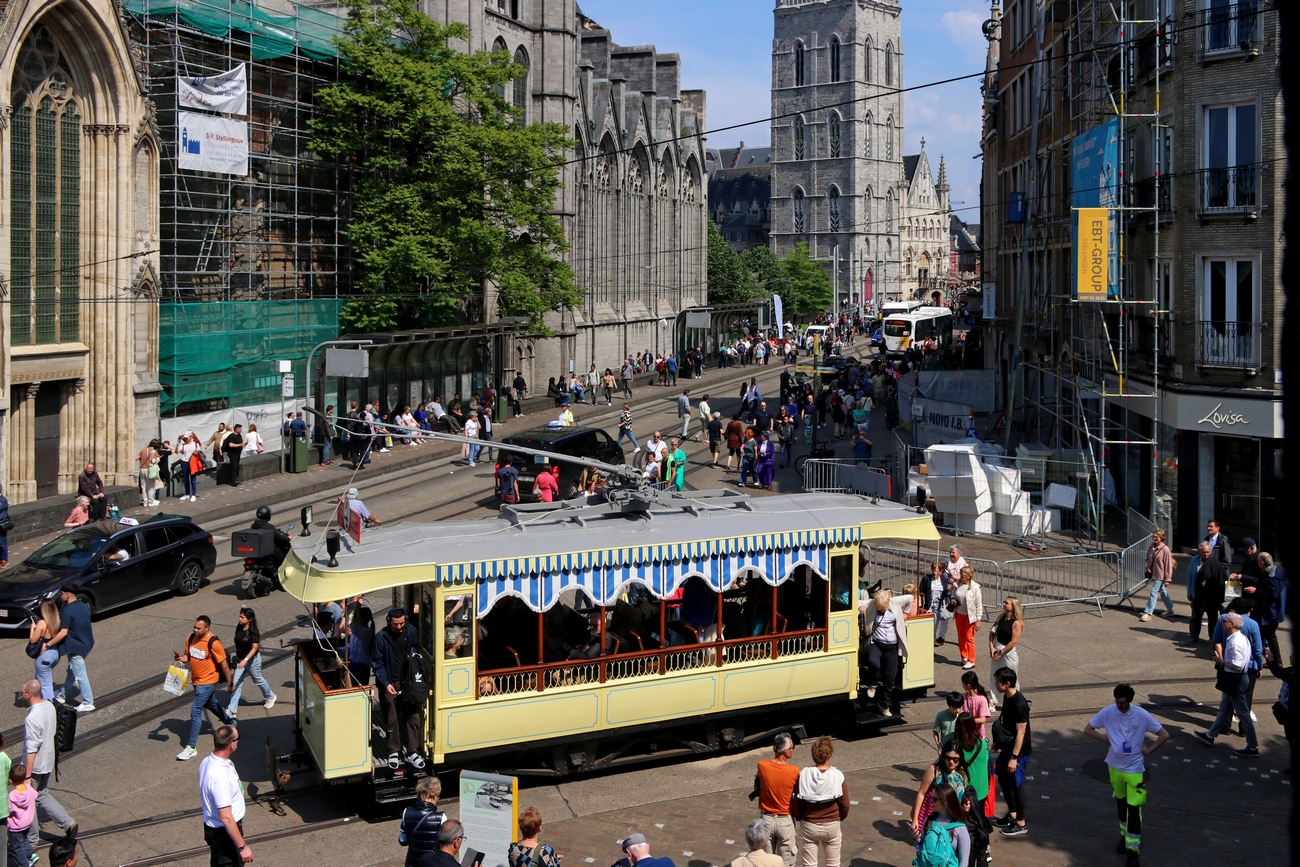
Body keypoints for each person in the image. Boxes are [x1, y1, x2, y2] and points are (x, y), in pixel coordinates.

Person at [1084, 684, 1170, 867]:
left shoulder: (1141, 715)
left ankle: (1133, 850)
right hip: (1114, 768)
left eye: (1122, 703)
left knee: (1134, 810)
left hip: (1134, 771)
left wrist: (1149, 750)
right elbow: (1088, 729)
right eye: (1117, 702)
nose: (1119, 705)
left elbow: (1164, 735)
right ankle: (1125, 837)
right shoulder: (1108, 712)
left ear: (1129, 701)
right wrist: (1107, 740)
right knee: (1121, 805)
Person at [19, 679, 76, 847]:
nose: (20, 694)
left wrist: (27, 776)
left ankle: (32, 840)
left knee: (28, 802)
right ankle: (68, 823)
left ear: (29, 694)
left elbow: (32, 749)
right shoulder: (49, 706)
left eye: (22, 692)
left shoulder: (32, 718)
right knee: (42, 794)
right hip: (48, 761)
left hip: (35, 766)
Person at [1196, 611, 1259, 755]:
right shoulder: (1240, 638)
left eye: (1225, 621)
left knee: (1243, 713)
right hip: (1235, 679)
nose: (1222, 622)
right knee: (1224, 708)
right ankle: (1210, 735)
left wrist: (1221, 661)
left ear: (1232, 625)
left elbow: (1237, 665)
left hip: (1235, 680)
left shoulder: (1235, 642)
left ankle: (1252, 746)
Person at [174, 616, 237, 761]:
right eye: (194, 627)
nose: (195, 630)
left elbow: (224, 665)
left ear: (207, 628)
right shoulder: (191, 638)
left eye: (198, 628)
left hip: (208, 681)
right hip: (196, 681)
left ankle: (191, 747)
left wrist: (230, 683)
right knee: (210, 704)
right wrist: (180, 658)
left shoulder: (213, 642)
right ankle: (230, 722)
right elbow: (188, 657)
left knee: (196, 710)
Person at [373, 607, 426, 770]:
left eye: (402, 623)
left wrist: (413, 655)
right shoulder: (381, 637)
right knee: (392, 719)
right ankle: (393, 751)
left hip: (408, 682)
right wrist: (386, 683)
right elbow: (377, 663)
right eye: (395, 624)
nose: (399, 627)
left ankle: (412, 751)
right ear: (389, 621)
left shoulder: (411, 631)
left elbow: (417, 648)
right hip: (390, 682)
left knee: (413, 717)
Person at [790, 736, 849, 867]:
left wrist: (799, 816)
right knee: (833, 864)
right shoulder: (838, 775)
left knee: (809, 864)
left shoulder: (804, 774)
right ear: (830, 755)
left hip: (809, 824)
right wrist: (840, 817)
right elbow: (845, 804)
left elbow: (797, 801)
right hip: (832, 824)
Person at [199, 725, 253, 866]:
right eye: (238, 738)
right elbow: (226, 817)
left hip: (224, 831)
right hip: (224, 834)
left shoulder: (209, 761)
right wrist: (242, 847)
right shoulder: (220, 776)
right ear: (231, 744)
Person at [859, 588, 913, 717]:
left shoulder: (894, 602)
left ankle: (884, 705)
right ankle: (873, 683)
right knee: (873, 662)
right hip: (876, 643)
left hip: (891, 646)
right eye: (879, 608)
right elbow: (856, 602)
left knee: (890, 677)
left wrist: (906, 613)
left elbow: (910, 598)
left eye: (883, 608)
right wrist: (860, 608)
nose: (881, 610)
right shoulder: (871, 603)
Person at [991, 667, 1030, 837]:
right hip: (1007, 747)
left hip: (1018, 752)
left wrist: (1014, 757)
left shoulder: (1019, 703)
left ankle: (1021, 822)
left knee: (1016, 784)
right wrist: (998, 742)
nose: (995, 684)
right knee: (1003, 778)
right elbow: (1006, 723)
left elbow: (1021, 732)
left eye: (998, 681)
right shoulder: (1007, 697)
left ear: (1007, 683)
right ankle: (1012, 814)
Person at [754, 733, 800, 867]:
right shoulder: (794, 771)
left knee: (765, 862)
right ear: (786, 752)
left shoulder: (762, 765)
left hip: (766, 820)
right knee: (786, 862)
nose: (793, 750)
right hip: (785, 820)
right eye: (792, 747)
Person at [908, 742, 969, 841]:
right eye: (948, 758)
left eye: (955, 759)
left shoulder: (961, 772)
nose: (951, 762)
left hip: (954, 820)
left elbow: (960, 797)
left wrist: (965, 808)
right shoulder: (934, 770)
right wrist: (915, 819)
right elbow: (921, 794)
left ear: (960, 759)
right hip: (936, 820)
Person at [49, 585, 95, 713]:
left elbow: (63, 632)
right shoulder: (84, 606)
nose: (60, 596)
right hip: (87, 643)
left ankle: (88, 702)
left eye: (61, 593)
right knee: (72, 671)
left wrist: (49, 644)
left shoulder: (67, 611)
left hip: (75, 647)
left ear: (67, 594)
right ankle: (62, 695)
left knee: (80, 675)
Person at [226, 607, 276, 717]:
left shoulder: (253, 632)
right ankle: (232, 710)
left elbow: (255, 648)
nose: (239, 619)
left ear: (249, 619)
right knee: (236, 684)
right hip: (240, 660)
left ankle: (270, 696)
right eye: (240, 616)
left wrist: (246, 660)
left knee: (257, 679)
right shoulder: (239, 627)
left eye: (242, 617)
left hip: (252, 661)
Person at [1186, 540, 1228, 645]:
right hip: (1196, 595)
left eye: (1208, 552)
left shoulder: (1215, 563)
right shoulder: (1194, 560)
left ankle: (1212, 637)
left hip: (1210, 597)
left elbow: (1221, 580)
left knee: (1212, 618)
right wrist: (1189, 592)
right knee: (1195, 617)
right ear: (1199, 551)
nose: (1206, 554)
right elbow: (1190, 577)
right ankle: (1194, 636)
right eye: (1203, 552)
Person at [399, 777, 447, 867]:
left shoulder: (407, 812)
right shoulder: (441, 817)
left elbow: (402, 840)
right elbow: (445, 847)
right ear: (435, 797)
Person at [989, 596, 1025, 692]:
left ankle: (1013, 697)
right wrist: (991, 647)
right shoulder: (1001, 617)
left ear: (1013, 606)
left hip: (1008, 652)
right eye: (1004, 602)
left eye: (1006, 603)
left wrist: (1001, 652)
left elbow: (1013, 642)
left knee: (1010, 678)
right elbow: (992, 632)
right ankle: (994, 699)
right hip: (997, 647)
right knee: (995, 676)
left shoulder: (1016, 623)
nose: (1003, 604)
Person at [1138, 529, 1175, 621]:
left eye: (1156, 537)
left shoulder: (1165, 550)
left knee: (1154, 591)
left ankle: (1148, 613)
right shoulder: (1151, 547)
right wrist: (1148, 567)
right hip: (1154, 573)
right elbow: (1148, 558)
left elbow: (1168, 565)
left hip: (1161, 575)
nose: (1154, 538)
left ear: (1161, 538)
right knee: (1162, 592)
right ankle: (1170, 609)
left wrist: (1168, 579)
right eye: (1153, 537)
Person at [954, 566, 984, 673]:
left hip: (970, 616)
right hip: (959, 614)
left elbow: (979, 604)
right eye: (961, 573)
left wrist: (978, 619)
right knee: (961, 637)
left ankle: (971, 660)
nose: (961, 575)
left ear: (969, 576)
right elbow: (954, 595)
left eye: (963, 573)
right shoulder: (957, 584)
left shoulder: (975, 587)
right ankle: (964, 656)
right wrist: (953, 600)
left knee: (969, 637)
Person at [8, 760, 35, 867]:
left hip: (16, 826)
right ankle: (29, 854)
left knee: (16, 848)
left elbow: (10, 810)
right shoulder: (29, 789)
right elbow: (35, 796)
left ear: (11, 781)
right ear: (24, 779)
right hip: (27, 822)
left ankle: (24, 864)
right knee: (24, 840)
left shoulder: (12, 795)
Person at [921, 560, 953, 647]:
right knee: (929, 627)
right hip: (929, 607)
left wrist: (948, 591)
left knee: (935, 626)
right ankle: (928, 644)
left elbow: (945, 593)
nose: (935, 573)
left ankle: (931, 643)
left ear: (941, 571)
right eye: (933, 570)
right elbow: (921, 592)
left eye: (937, 571)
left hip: (938, 607)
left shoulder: (943, 579)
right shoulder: (926, 579)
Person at [344, 606, 375, 686]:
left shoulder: (366, 631)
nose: (356, 618)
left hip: (362, 664)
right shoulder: (356, 628)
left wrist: (357, 604)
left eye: (358, 616)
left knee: (361, 686)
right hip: (354, 662)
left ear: (362, 619)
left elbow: (354, 626)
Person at [960, 671, 992, 740]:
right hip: (965, 734)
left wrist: (967, 721)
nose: (962, 685)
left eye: (963, 683)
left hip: (978, 735)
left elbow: (982, 720)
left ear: (968, 685)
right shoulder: (963, 696)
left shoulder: (982, 699)